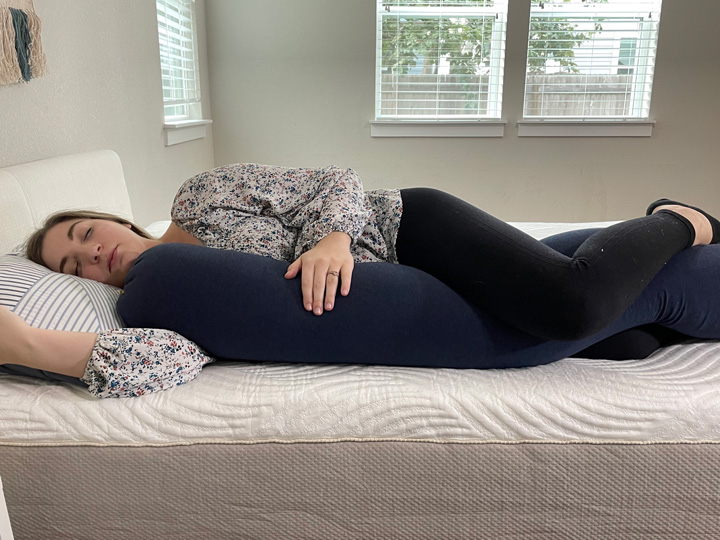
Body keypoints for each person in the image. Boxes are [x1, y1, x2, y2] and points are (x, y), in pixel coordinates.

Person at [1, 163, 719, 397]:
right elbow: (175, 361)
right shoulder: (165, 300)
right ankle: (655, 310)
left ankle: (680, 219)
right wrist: (34, 347)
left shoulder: (198, 196)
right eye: (71, 266)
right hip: (422, 290)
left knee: (569, 302)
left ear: (108, 220)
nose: (92, 258)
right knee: (620, 342)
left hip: (409, 228)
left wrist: (332, 238)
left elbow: (334, 180)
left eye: (86, 236)